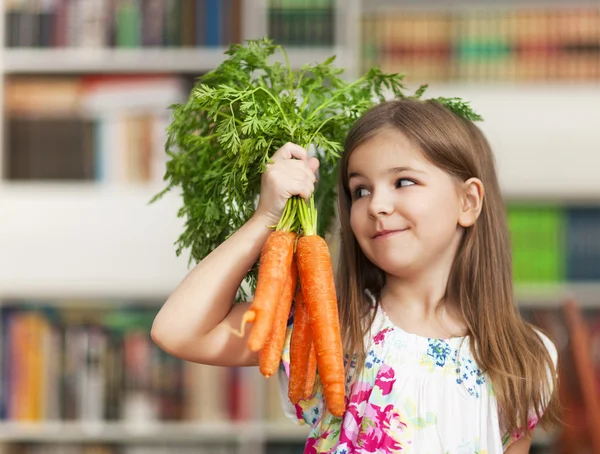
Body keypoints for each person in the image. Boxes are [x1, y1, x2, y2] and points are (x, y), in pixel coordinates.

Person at [151, 98, 559, 453]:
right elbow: (178, 330)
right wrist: (265, 219)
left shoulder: (527, 360)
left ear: (467, 202)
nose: (377, 204)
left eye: (403, 182)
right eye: (360, 190)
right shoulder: (329, 330)